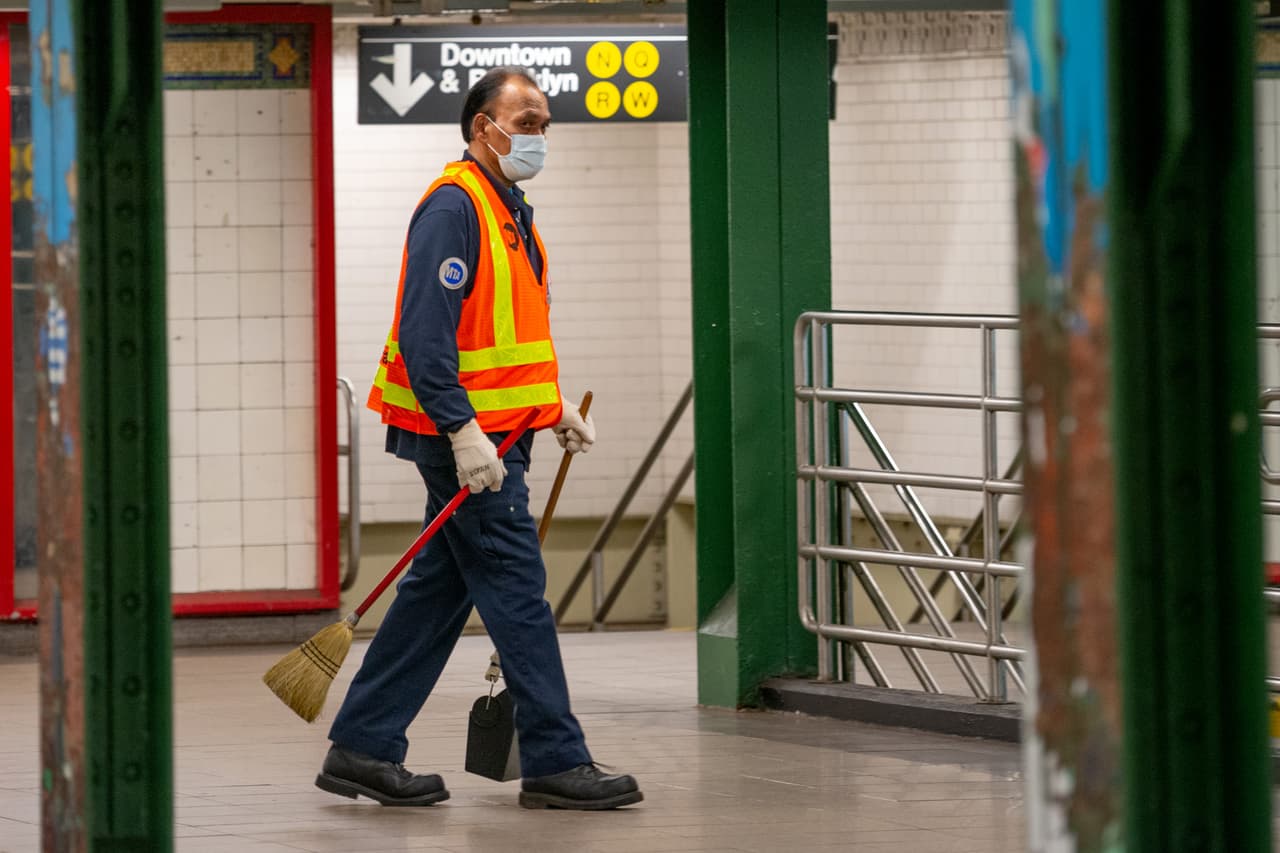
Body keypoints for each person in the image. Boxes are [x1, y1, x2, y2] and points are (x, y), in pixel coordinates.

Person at [315, 67, 642, 811]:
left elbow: (504, 334)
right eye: (523, 122)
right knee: (518, 590)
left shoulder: (509, 211)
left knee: (438, 591)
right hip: (466, 440)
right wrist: (462, 431)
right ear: (480, 128)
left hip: (500, 433)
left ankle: (363, 743)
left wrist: (551, 403)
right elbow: (426, 334)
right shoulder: (453, 209)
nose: (536, 136)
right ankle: (557, 758)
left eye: (543, 125)